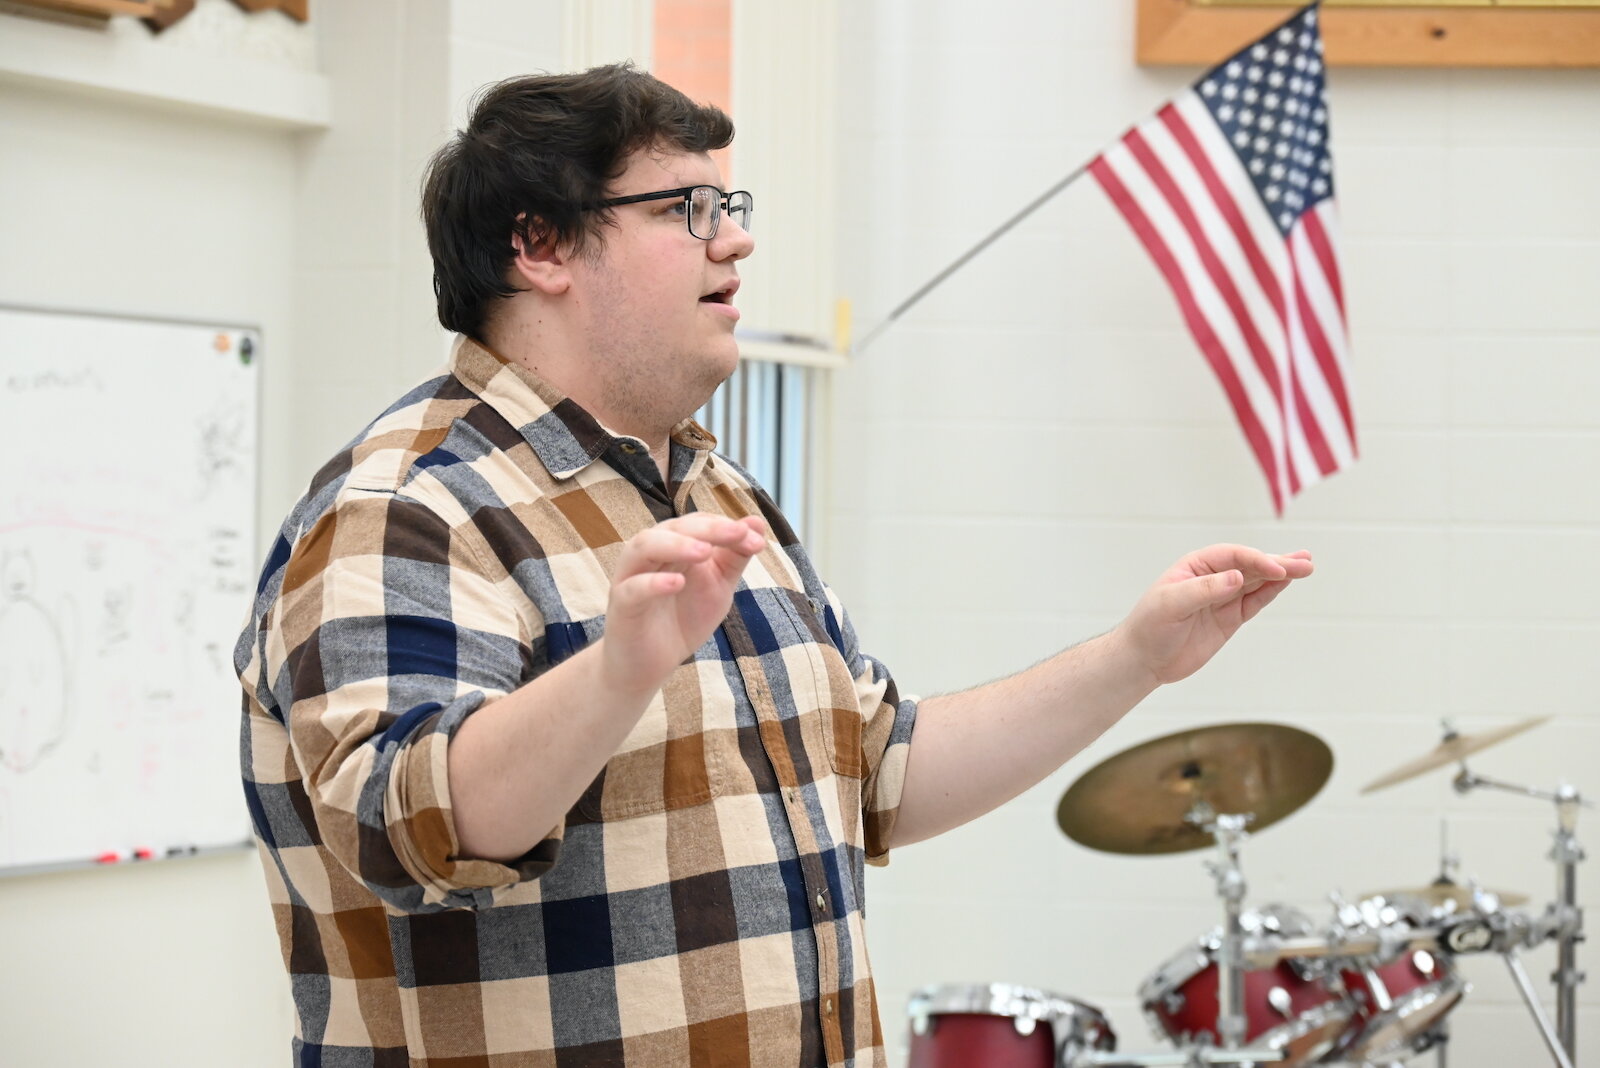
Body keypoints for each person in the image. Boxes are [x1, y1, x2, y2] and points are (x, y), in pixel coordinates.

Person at [236, 63, 1313, 1067]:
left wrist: (1134, 659)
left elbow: (879, 771)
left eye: (730, 209)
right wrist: (619, 670)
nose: (733, 244)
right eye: (683, 211)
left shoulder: (714, 490)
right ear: (540, 247)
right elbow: (407, 826)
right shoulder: (408, 510)